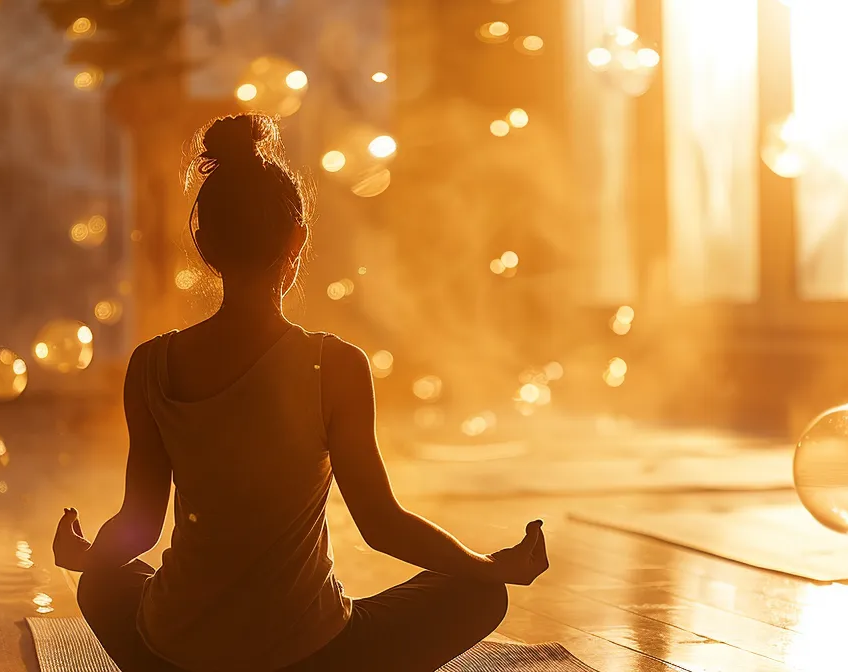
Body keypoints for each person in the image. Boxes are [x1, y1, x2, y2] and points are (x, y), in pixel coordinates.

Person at [52, 112, 550, 672]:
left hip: (177, 654)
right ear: (297, 238)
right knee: (479, 593)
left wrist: (91, 559)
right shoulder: (334, 365)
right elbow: (380, 523)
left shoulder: (151, 365)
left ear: (204, 243)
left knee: (101, 585)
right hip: (308, 655)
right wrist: (489, 566)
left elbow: (138, 525)